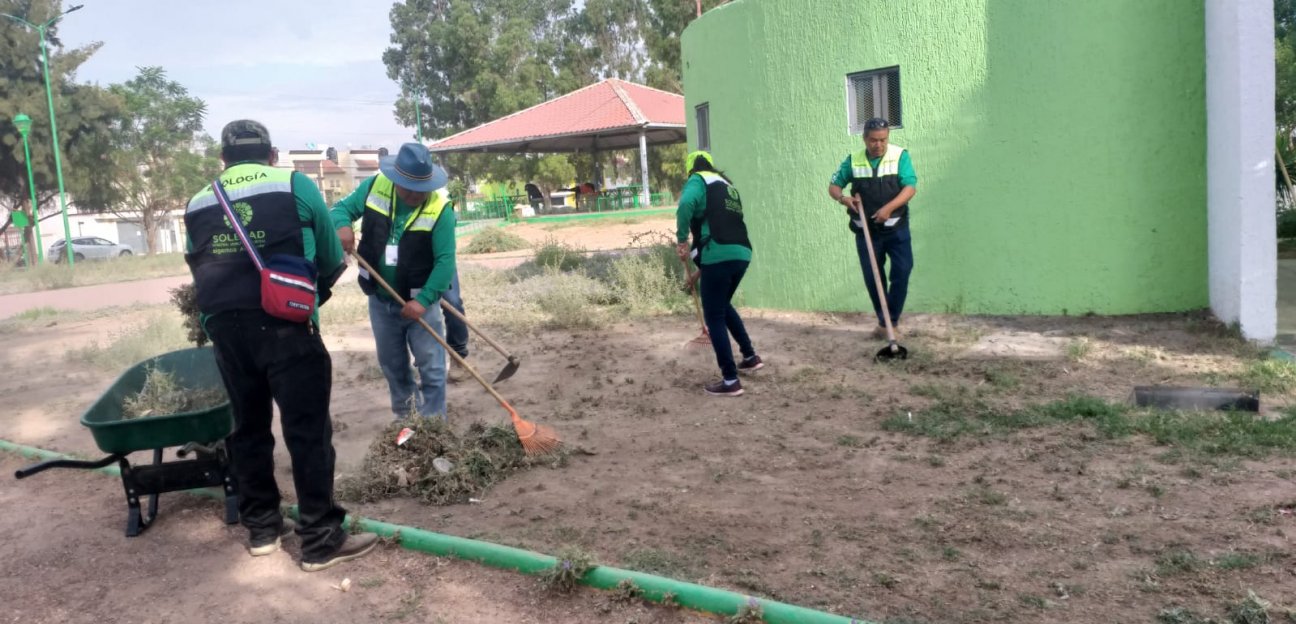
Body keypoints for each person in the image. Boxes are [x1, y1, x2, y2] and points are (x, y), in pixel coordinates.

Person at [183, 119, 377, 572]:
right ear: (271, 154)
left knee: (247, 429)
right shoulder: (294, 184)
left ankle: (263, 530)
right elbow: (331, 257)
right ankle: (320, 539)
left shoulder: (198, 201)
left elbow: (196, 266)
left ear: (223, 160)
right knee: (307, 430)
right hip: (287, 325)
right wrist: (306, 295)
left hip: (226, 331)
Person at [330, 142, 457, 419]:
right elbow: (339, 210)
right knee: (393, 366)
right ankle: (407, 422)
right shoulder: (375, 186)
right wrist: (342, 227)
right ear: (395, 178)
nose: (414, 194)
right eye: (407, 186)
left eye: (420, 188)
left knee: (431, 366)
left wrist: (423, 301)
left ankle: (434, 423)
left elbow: (445, 262)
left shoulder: (440, 208)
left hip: (420, 302)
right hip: (381, 300)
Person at [675, 150, 763, 397]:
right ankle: (750, 356)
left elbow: (685, 205)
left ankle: (730, 380)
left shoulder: (698, 180)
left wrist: (681, 240)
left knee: (713, 313)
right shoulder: (726, 185)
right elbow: (719, 226)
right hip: (741, 253)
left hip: (718, 253)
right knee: (722, 306)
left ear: (692, 169)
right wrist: (698, 273)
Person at [827, 117, 918, 338]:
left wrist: (889, 207)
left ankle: (891, 320)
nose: (878, 145)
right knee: (873, 277)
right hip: (866, 232)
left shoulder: (899, 156)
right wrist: (843, 199)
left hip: (896, 229)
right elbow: (834, 186)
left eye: (883, 140)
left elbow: (910, 187)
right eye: (873, 140)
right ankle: (885, 323)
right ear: (864, 139)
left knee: (902, 271)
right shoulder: (853, 161)